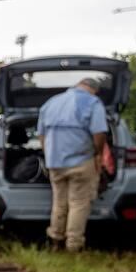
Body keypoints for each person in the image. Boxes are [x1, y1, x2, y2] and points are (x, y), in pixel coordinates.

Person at [38, 77, 108, 252]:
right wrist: (98, 153)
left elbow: (41, 135)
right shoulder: (93, 103)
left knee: (59, 202)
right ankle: (73, 245)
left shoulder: (51, 103)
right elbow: (99, 133)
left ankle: (55, 240)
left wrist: (49, 155)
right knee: (78, 203)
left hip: (55, 162)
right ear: (93, 89)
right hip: (81, 161)